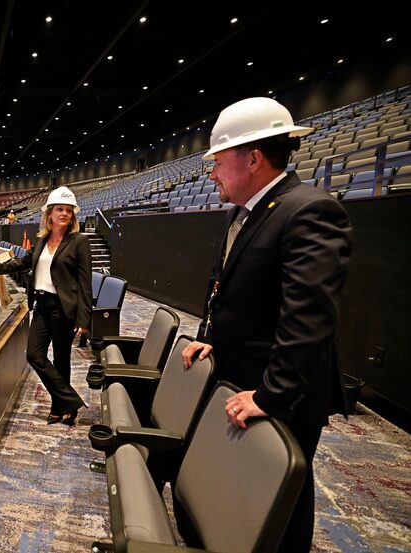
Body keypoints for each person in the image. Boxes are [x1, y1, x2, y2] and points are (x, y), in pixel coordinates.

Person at [180, 97, 352, 552]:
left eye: (218, 160)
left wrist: (272, 395)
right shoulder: (246, 211)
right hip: (240, 378)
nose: (212, 172)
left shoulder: (309, 210)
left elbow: (309, 318)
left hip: (279, 393)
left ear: (252, 157)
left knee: (279, 506)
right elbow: (227, 290)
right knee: (238, 499)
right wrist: (209, 340)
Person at [0, 186, 92, 426]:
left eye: (68, 210)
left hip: (64, 308)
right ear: (50, 213)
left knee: (61, 359)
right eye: (60, 209)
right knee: (34, 355)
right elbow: (23, 263)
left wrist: (84, 318)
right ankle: (70, 400)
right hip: (42, 306)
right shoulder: (42, 240)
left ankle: (61, 408)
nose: (64, 214)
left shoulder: (79, 242)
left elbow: (85, 283)